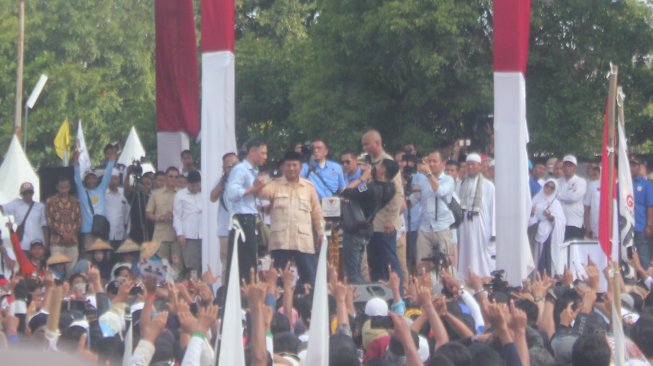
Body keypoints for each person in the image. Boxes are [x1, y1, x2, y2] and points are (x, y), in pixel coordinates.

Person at [258, 151, 324, 285]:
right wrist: (264, 181)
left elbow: (316, 212)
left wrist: (320, 232)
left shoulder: (309, 187)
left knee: (309, 280)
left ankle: (308, 304)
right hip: (281, 241)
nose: (291, 169)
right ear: (282, 168)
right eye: (288, 165)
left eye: (295, 165)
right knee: (277, 279)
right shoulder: (273, 185)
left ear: (300, 167)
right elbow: (261, 198)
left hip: (303, 241)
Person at [340, 158, 399, 283]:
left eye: (377, 166)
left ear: (383, 170)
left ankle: (360, 298)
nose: (374, 168)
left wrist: (362, 178)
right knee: (357, 268)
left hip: (355, 229)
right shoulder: (391, 188)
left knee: (352, 271)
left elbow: (346, 192)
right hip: (366, 229)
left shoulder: (368, 188)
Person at [360, 130, 404, 285]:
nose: (364, 148)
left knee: (389, 261)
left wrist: (391, 219)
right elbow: (366, 191)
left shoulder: (387, 162)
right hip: (373, 222)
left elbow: (398, 193)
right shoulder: (370, 163)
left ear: (377, 143)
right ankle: (379, 294)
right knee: (375, 263)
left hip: (385, 223)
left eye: (366, 144)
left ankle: (399, 293)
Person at [225, 139, 268, 282]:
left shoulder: (255, 171)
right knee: (245, 262)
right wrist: (253, 189)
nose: (265, 157)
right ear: (252, 152)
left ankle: (250, 289)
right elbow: (231, 193)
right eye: (262, 153)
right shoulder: (240, 169)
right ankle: (244, 293)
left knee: (252, 259)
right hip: (242, 218)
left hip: (251, 216)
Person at [415, 150, 455, 273]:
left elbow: (440, 191)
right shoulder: (423, 180)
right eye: (429, 161)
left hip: (442, 227)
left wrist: (428, 174)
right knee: (422, 265)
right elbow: (417, 198)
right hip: (425, 227)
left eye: (434, 161)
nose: (431, 164)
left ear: (442, 163)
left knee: (445, 265)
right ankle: (424, 289)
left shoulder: (448, 180)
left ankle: (447, 290)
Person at [457, 153, 495, 277]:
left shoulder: (488, 186)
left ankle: (482, 280)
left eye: (473, 164)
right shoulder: (460, 184)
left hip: (481, 225)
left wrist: (494, 232)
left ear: (480, 167)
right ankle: (466, 279)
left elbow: (493, 208)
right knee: (465, 254)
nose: (470, 167)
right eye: (468, 165)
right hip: (464, 225)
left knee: (481, 255)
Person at [73, 149, 116, 248]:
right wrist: (76, 161)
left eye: (93, 178)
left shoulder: (101, 189)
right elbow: (77, 178)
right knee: (89, 259)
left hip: (102, 229)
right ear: (85, 180)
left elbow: (108, 174)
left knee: (104, 256)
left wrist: (112, 161)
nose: (91, 180)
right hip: (88, 231)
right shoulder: (82, 191)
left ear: (97, 179)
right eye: (88, 178)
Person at [145, 167, 181, 275]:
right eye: (170, 176)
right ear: (165, 178)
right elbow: (148, 213)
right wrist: (159, 218)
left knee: (177, 266)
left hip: (176, 235)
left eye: (176, 177)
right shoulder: (155, 194)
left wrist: (174, 216)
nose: (173, 179)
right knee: (161, 265)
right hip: (160, 235)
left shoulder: (181, 194)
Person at [210, 152, 239, 279]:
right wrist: (223, 181)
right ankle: (225, 294)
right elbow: (212, 198)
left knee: (245, 263)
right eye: (229, 166)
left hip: (244, 230)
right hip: (225, 230)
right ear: (224, 168)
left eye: (235, 165)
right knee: (227, 265)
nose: (232, 169)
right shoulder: (220, 182)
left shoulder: (246, 180)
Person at [528, 179, 566, 275]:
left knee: (545, 261)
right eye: (547, 186)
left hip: (548, 236)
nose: (548, 189)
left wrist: (550, 216)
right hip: (534, 234)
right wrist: (531, 213)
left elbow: (560, 221)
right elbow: (528, 217)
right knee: (533, 258)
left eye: (551, 188)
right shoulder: (536, 198)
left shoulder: (555, 203)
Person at [46, 176, 81, 273]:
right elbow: (50, 221)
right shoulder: (50, 201)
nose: (64, 190)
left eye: (66, 187)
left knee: (72, 269)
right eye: (62, 188)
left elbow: (78, 220)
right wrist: (62, 233)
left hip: (72, 241)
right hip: (56, 241)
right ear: (57, 187)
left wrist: (71, 233)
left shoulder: (75, 201)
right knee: (57, 269)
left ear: (69, 187)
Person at [0, 182, 48, 253]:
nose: (28, 195)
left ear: (33, 193)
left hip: (38, 245)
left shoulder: (40, 206)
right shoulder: (16, 203)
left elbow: (44, 226)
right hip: (23, 246)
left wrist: (46, 243)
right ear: (21, 194)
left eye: (30, 192)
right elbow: (3, 209)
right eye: (25, 193)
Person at [173, 170, 203, 276]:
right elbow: (177, 216)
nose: (195, 187)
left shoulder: (204, 193)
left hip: (204, 234)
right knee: (191, 265)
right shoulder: (180, 195)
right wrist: (179, 233)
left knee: (204, 263)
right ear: (188, 183)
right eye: (193, 185)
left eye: (197, 185)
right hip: (189, 234)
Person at [557, 155, 587, 240]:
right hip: (559, 222)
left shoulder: (581, 181)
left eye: (570, 165)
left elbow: (573, 198)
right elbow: (552, 197)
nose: (567, 168)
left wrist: (558, 195)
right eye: (565, 165)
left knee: (574, 251)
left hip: (575, 223)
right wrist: (566, 195)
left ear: (575, 168)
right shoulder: (557, 182)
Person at [630, 156, 653, 269]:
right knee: (627, 257)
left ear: (639, 167)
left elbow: (650, 206)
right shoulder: (622, 184)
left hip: (641, 226)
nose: (631, 168)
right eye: (630, 165)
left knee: (643, 257)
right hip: (625, 227)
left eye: (634, 165)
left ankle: (646, 282)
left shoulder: (646, 185)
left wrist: (649, 225)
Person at [105, 169, 130, 250]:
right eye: (111, 178)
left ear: (118, 180)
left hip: (120, 233)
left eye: (115, 178)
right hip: (106, 234)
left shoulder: (123, 194)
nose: (113, 181)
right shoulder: (103, 194)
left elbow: (127, 213)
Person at [583, 166, 601, 239]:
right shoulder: (592, 185)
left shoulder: (614, 185)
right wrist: (588, 227)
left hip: (611, 229)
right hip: (595, 227)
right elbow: (586, 208)